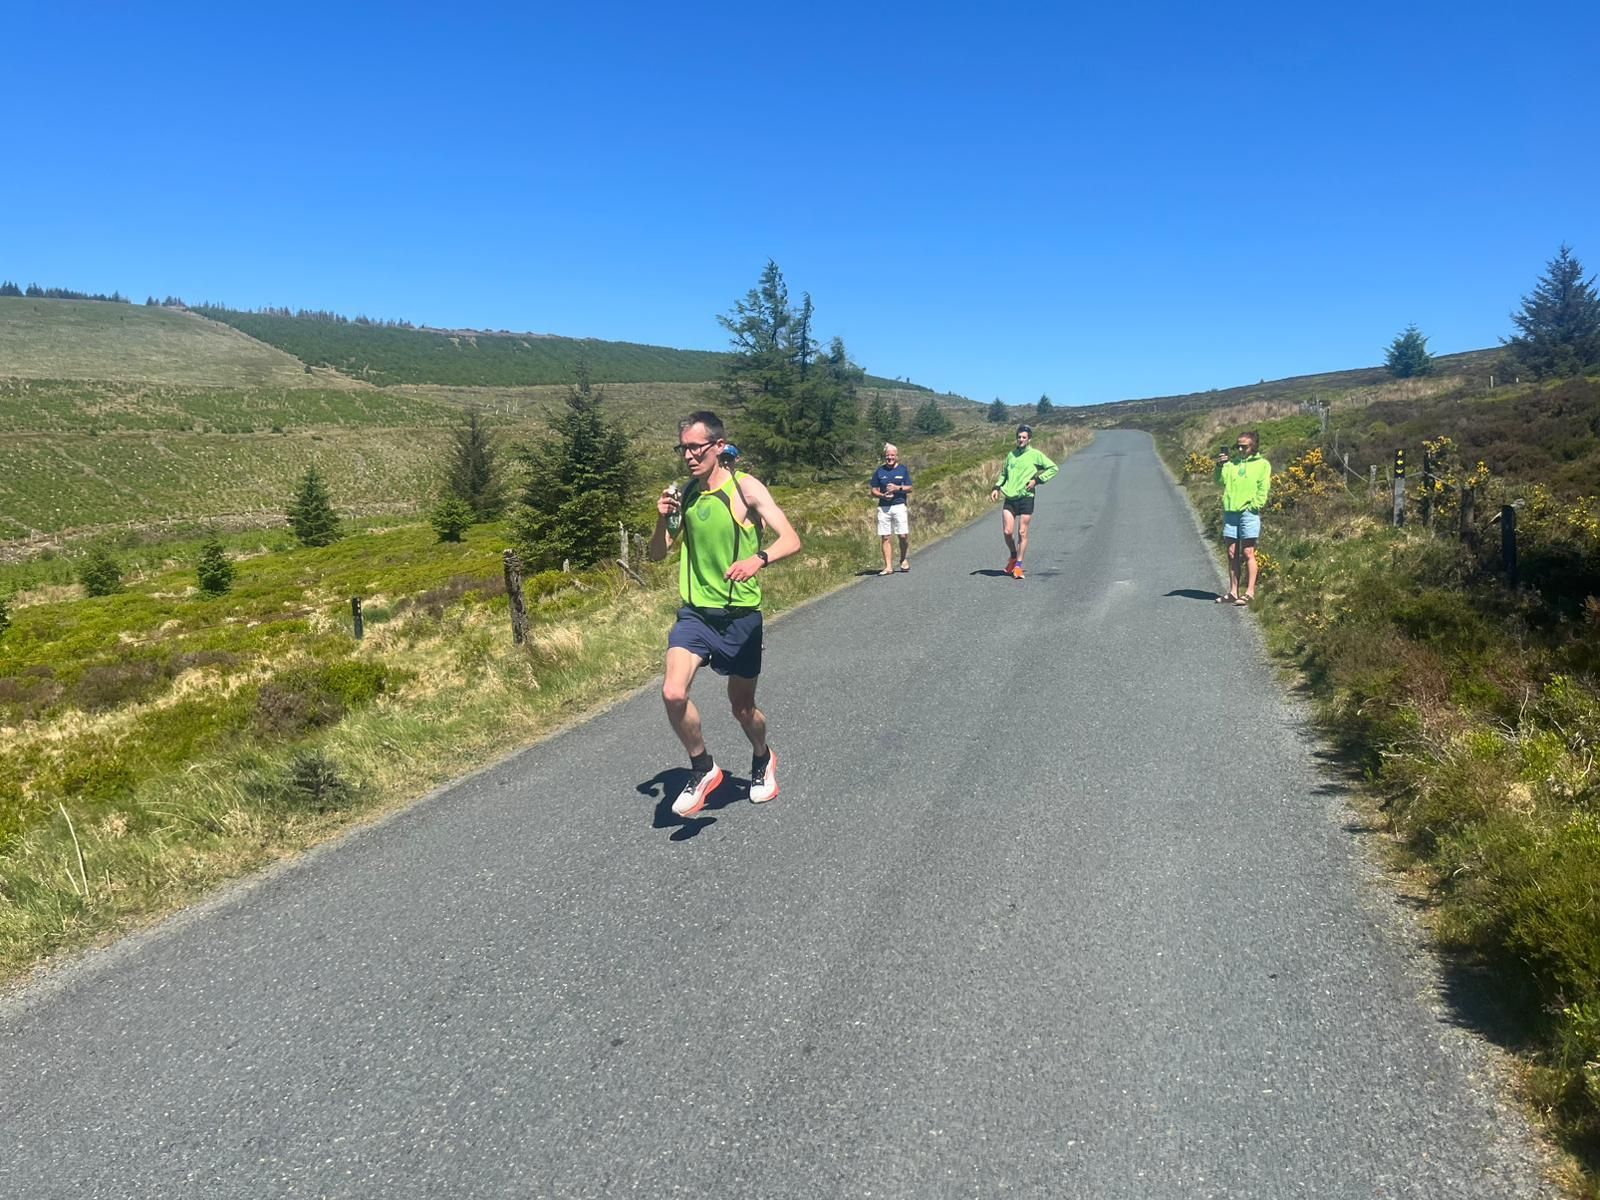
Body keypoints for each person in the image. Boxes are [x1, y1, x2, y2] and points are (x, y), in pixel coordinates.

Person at [648, 411, 802, 817]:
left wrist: (758, 559)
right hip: (696, 614)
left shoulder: (745, 487)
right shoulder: (686, 493)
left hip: (739, 615)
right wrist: (662, 519)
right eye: (683, 448)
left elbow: (791, 539)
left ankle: (762, 756)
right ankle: (703, 767)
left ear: (718, 446)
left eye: (695, 448)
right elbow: (657, 553)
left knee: (742, 707)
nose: (688, 456)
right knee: (673, 692)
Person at [988, 424, 1058, 578]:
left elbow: (1053, 468)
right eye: (1019, 437)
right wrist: (996, 487)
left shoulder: (1035, 455)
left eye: (1024, 437)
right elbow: (1004, 474)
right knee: (1007, 531)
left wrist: (1037, 480)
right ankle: (1013, 556)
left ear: (1029, 439)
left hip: (1026, 497)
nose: (1021, 439)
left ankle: (1018, 566)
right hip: (1010, 496)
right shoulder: (1011, 455)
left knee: (1022, 531)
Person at [1214, 430, 1271, 605]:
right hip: (1231, 512)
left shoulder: (1262, 464)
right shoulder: (1231, 465)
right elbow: (1219, 481)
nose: (1240, 449)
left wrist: (1254, 506)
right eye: (1238, 446)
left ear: (1253, 446)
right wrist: (1219, 466)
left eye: (1244, 446)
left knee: (1248, 552)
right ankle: (1233, 592)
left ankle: (1250, 592)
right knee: (1232, 553)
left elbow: (1263, 488)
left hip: (1248, 513)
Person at [869, 443, 914, 575]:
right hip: (884, 507)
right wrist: (882, 495)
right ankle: (888, 567)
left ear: (896, 456)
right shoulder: (879, 471)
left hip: (899, 505)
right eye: (888, 456)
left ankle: (903, 559)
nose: (890, 458)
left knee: (903, 535)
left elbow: (910, 488)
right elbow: (873, 490)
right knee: (885, 537)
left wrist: (897, 488)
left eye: (892, 455)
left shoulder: (902, 470)